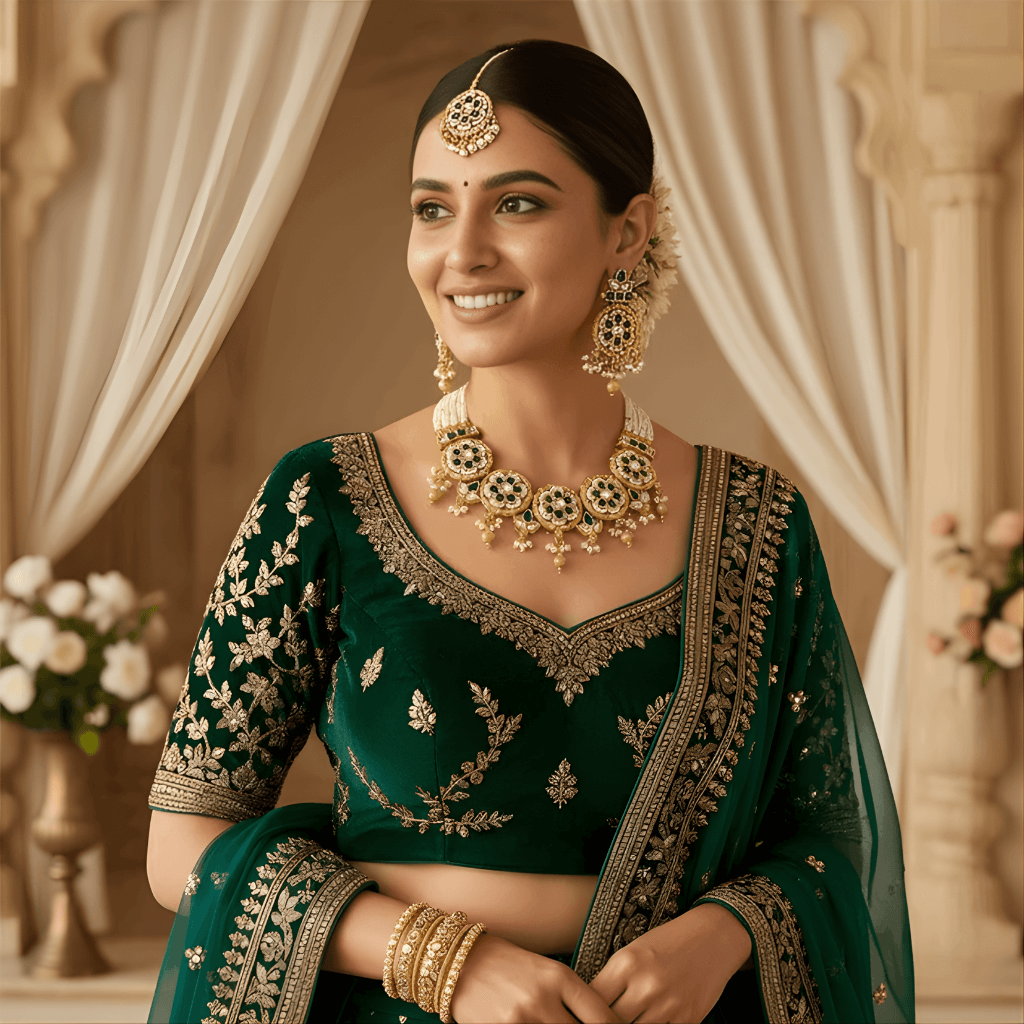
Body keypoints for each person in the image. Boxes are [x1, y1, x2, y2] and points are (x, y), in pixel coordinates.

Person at [146, 40, 913, 1024]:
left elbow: (833, 835)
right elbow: (186, 844)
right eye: (432, 207)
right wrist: (444, 960)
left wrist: (723, 931)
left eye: (516, 203)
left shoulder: (758, 520)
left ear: (626, 231)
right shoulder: (322, 498)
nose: (460, 250)